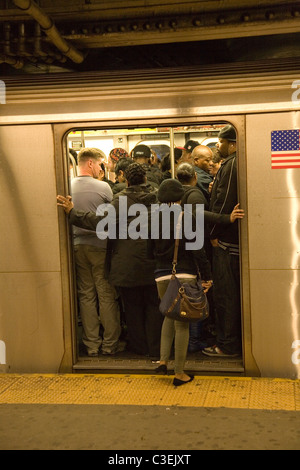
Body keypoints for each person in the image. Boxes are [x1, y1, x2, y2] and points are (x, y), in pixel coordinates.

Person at [58, 163, 163, 360]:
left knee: (132, 307)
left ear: (126, 180)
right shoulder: (157, 198)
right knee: (153, 306)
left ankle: (139, 347)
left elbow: (99, 221)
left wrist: (73, 213)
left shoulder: (121, 200)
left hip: (127, 263)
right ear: (146, 179)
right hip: (153, 261)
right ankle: (155, 348)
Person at [149, 179, 213, 386]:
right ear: (180, 196)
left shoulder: (153, 218)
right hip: (184, 274)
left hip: (161, 275)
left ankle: (163, 361)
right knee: (182, 324)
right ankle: (179, 373)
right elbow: (198, 251)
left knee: (169, 315)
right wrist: (207, 276)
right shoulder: (188, 217)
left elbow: (148, 250)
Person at [70, 148, 122, 357]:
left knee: (86, 295)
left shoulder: (67, 185)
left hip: (77, 245)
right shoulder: (104, 187)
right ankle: (110, 344)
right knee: (106, 294)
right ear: (90, 164)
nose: (102, 168)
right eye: (100, 164)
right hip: (100, 247)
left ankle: (91, 345)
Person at [203, 124, 242, 358]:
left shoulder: (231, 164)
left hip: (226, 244)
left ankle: (227, 345)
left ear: (233, 144)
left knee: (225, 297)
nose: (218, 145)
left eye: (221, 142)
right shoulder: (238, 162)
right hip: (234, 242)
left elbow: (225, 202)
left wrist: (213, 234)